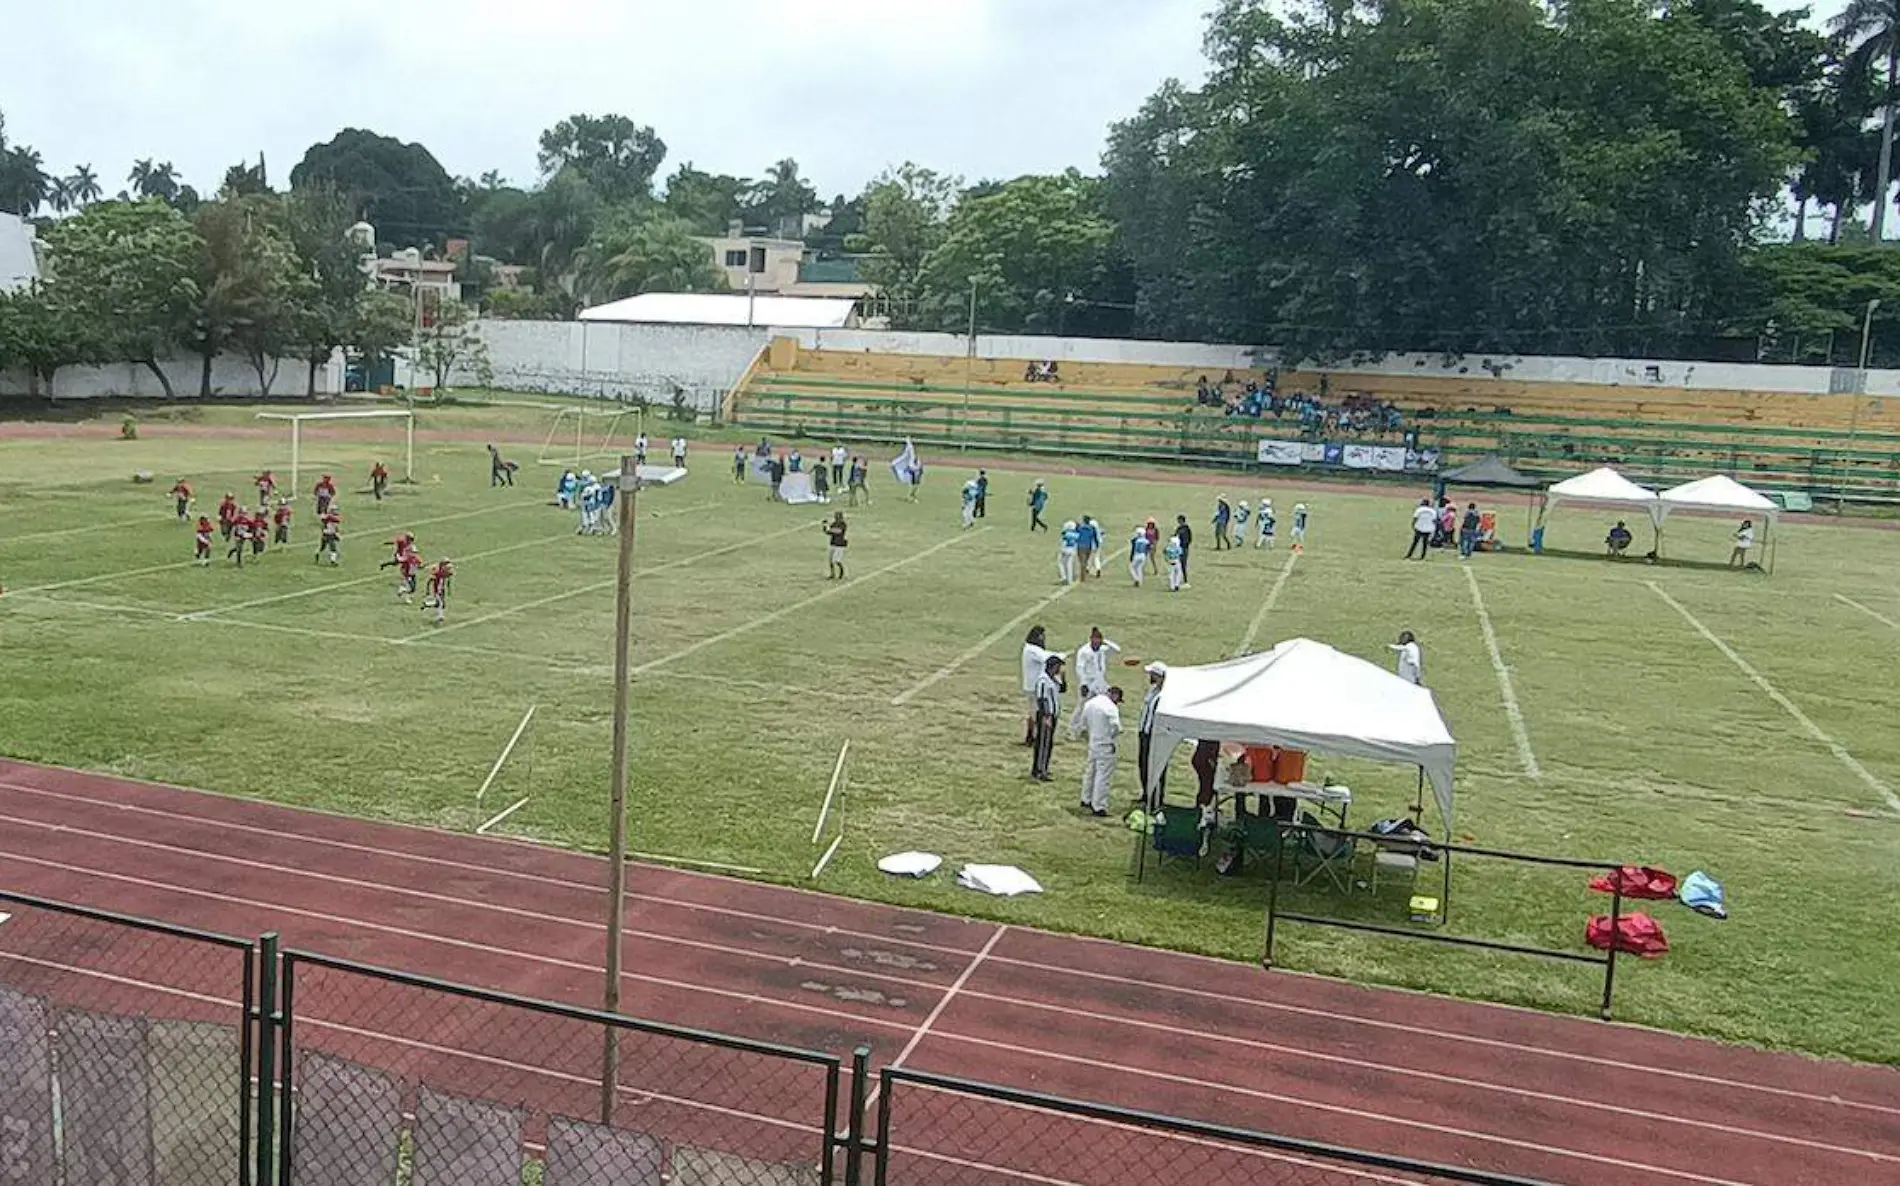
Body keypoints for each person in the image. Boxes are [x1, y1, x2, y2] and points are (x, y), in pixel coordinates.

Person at [1079, 687, 1124, 817]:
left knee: (1090, 772)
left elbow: (1083, 724)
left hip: (1093, 742)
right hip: (1106, 744)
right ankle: (1099, 805)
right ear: (1114, 696)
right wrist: (1111, 736)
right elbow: (1117, 727)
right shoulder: (1110, 707)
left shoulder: (1090, 703)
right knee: (1103, 776)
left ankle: (1086, 798)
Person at [1069, 628, 1122, 737]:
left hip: (1100, 681)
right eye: (1095, 640)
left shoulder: (1103, 649)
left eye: (1099, 640)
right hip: (1088, 682)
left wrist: (1105, 641)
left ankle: (1096, 727)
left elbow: (1117, 649)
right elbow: (1080, 668)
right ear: (1091, 639)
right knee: (1082, 706)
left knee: (1106, 701)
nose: (1097, 643)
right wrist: (1083, 683)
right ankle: (1072, 730)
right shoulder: (1084, 651)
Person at [1020, 626, 1059, 745]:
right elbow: (1046, 657)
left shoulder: (1032, 649)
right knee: (1035, 712)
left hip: (1034, 685)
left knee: (1035, 712)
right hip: (1034, 686)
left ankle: (1033, 735)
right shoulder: (1032, 649)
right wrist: (1061, 656)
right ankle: (1031, 736)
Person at [1030, 655, 1066, 783]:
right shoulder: (1043, 680)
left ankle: (1043, 767)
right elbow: (1042, 699)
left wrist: (1063, 677)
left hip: (1052, 716)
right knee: (1043, 744)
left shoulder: (1053, 680)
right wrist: (1046, 717)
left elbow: (1063, 689)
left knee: (1048, 744)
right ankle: (1039, 770)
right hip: (1046, 716)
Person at [1138, 663, 1167, 809]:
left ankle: (1156, 797)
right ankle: (1146, 793)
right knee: (1143, 764)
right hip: (1145, 731)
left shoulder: (1164, 695)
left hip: (1155, 735)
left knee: (1155, 766)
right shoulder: (1153, 690)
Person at [423, 558, 454, 625]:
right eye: (445, 565)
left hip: (442, 590)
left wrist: (449, 590)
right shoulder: (437, 573)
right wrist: (427, 590)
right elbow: (429, 581)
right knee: (441, 604)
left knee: (441, 604)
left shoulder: (446, 573)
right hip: (437, 590)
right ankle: (440, 617)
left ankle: (427, 604)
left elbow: (448, 581)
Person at [824, 512, 848, 580]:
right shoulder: (834, 524)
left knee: (836, 560)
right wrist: (825, 527)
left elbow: (838, 531)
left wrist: (829, 529)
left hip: (840, 544)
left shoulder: (843, 524)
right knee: (831, 560)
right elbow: (828, 532)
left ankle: (841, 573)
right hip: (833, 543)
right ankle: (832, 574)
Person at [1129, 522, 1153, 587]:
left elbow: (1133, 549)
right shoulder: (1146, 540)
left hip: (1137, 555)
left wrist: (1131, 557)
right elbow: (1149, 548)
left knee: (1132, 568)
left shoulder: (1135, 540)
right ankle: (1140, 581)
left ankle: (1136, 579)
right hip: (1143, 555)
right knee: (1139, 568)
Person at [1057, 520, 1080, 585]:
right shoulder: (1077, 534)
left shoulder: (1067, 533)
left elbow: (1063, 539)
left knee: (1060, 562)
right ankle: (1070, 580)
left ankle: (1063, 576)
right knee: (1069, 565)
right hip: (1072, 550)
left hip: (1065, 548)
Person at [1173, 515, 1193, 585]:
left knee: (1183, 564)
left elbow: (1190, 538)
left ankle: (1185, 579)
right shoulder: (1179, 528)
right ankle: (1177, 579)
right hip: (1178, 547)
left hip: (1184, 548)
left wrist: (1185, 544)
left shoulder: (1186, 528)